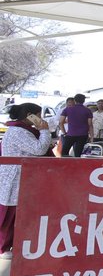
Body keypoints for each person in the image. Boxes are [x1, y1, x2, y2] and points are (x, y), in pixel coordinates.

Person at [0, 104, 53, 258]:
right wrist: (44, 130)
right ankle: (3, 247)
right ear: (30, 115)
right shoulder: (19, 131)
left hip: (19, 176)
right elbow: (39, 149)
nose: (41, 119)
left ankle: (9, 245)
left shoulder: (21, 129)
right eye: (38, 115)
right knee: (9, 214)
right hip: (14, 177)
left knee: (16, 212)